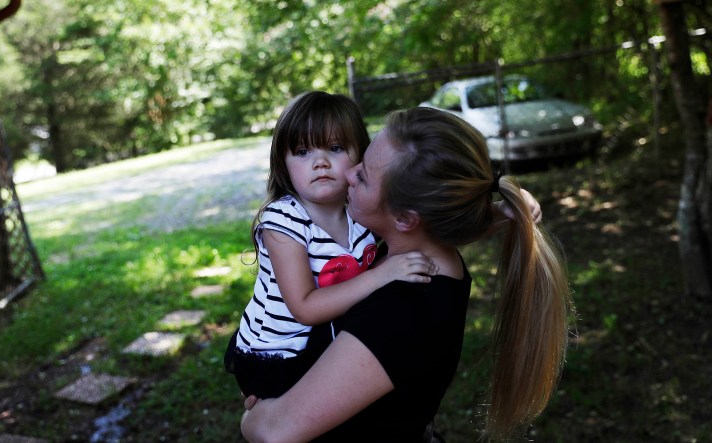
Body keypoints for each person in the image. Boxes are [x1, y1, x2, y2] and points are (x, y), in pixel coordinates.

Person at [240, 106, 571, 442]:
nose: (350, 173)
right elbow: (447, 222)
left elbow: (274, 433)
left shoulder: (403, 309)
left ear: (405, 219)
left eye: (364, 175)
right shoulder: (420, 256)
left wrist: (253, 418)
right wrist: (502, 211)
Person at [225, 91, 438, 400]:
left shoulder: (359, 212)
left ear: (360, 159)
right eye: (302, 151)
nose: (320, 162)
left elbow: (426, 220)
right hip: (277, 355)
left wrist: (501, 211)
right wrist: (381, 275)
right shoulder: (284, 222)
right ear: (283, 165)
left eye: (335, 148)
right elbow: (305, 308)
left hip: (323, 341)